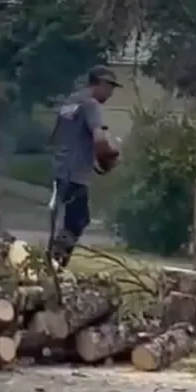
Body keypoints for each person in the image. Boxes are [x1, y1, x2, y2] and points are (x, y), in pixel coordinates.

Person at [47, 64, 118, 267]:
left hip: (60, 169)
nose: (111, 92)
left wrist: (90, 161)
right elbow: (100, 140)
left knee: (65, 220)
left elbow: (56, 137)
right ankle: (56, 263)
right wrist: (108, 160)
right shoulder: (91, 104)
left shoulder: (69, 103)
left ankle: (53, 261)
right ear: (101, 83)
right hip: (75, 173)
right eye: (110, 86)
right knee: (77, 221)